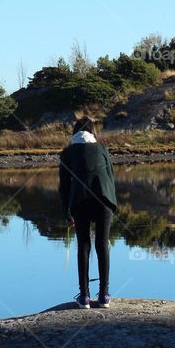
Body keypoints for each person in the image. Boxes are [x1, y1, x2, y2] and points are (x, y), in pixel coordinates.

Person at [58, 116, 117, 309]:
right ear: (93, 132)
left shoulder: (67, 153)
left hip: (80, 200)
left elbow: (64, 187)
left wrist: (67, 214)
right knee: (102, 244)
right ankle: (104, 296)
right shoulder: (102, 149)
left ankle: (84, 297)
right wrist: (111, 204)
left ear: (75, 132)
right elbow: (111, 177)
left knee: (83, 245)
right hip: (104, 199)